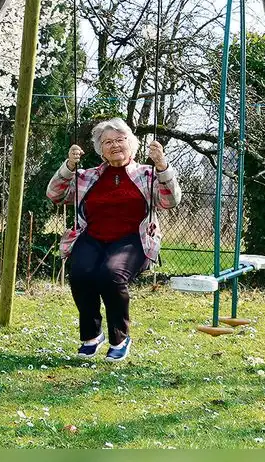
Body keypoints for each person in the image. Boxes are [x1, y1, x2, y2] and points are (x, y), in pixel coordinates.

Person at [46, 118, 181, 362]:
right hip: (93, 235)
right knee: (81, 274)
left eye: (120, 140)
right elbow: (54, 194)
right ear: (100, 149)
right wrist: (68, 166)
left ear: (131, 143)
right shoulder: (87, 176)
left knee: (111, 275)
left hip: (133, 239)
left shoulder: (147, 174)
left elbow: (170, 201)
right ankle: (92, 335)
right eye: (108, 142)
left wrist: (162, 164)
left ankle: (120, 338)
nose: (115, 146)